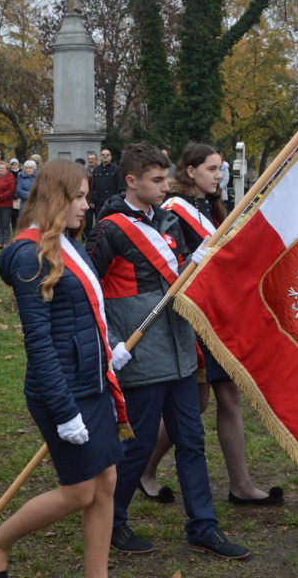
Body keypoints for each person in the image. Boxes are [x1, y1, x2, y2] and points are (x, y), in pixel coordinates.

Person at [89, 143, 249, 560]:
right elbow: (91, 290)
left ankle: (203, 527)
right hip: (140, 353)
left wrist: (194, 265)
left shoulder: (168, 221)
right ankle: (112, 521)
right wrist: (110, 346)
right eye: (157, 180)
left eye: (165, 179)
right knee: (138, 446)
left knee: (192, 441)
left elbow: (176, 275)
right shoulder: (110, 228)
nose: (165, 187)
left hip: (180, 348)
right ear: (132, 181)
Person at [0, 159, 126, 578]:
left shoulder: (70, 244)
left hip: (92, 381)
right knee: (81, 490)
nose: (87, 205)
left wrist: (107, 352)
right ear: (55, 198)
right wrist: (64, 411)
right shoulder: (29, 256)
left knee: (106, 483)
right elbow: (40, 342)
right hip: (61, 391)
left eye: (87, 196)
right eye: (78, 197)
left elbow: (84, 314)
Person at [140, 143, 282, 506]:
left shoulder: (209, 207)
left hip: (220, 315)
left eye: (220, 169)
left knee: (230, 397)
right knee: (198, 404)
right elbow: (168, 260)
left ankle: (241, 485)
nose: (219, 176)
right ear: (190, 171)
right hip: (194, 319)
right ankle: (141, 468)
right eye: (212, 169)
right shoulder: (173, 209)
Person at [87, 149, 125, 243]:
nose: (105, 156)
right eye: (103, 155)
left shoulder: (116, 170)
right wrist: (91, 200)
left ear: (110, 157)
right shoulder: (96, 170)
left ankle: (112, 240)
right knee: (99, 222)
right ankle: (99, 240)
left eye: (107, 155)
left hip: (111, 202)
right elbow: (93, 186)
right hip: (98, 202)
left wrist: (118, 201)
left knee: (111, 223)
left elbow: (120, 187)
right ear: (100, 157)